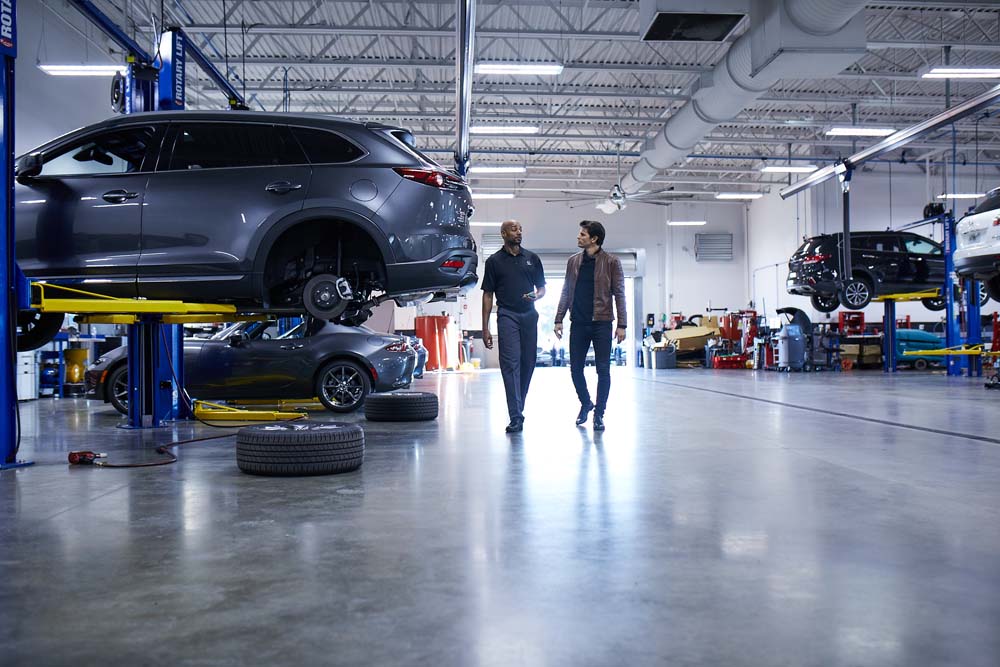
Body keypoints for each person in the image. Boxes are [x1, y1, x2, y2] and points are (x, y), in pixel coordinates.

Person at [554, 220, 627, 431]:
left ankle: (599, 414)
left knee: (603, 370)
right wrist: (559, 318)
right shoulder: (573, 262)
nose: (578, 237)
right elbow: (566, 291)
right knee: (575, 368)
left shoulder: (612, 262)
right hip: (578, 323)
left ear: (594, 239)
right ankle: (586, 403)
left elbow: (620, 294)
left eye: (582, 234)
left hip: (602, 323)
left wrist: (622, 324)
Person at [481, 220, 546, 433]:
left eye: (520, 229)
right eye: (514, 229)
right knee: (510, 365)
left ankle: (519, 407)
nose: (518, 232)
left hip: (529, 315)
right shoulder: (494, 262)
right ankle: (516, 416)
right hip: (507, 315)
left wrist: (535, 296)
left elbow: (542, 289)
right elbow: (488, 295)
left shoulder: (532, 259)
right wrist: (485, 327)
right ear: (503, 233)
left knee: (528, 363)